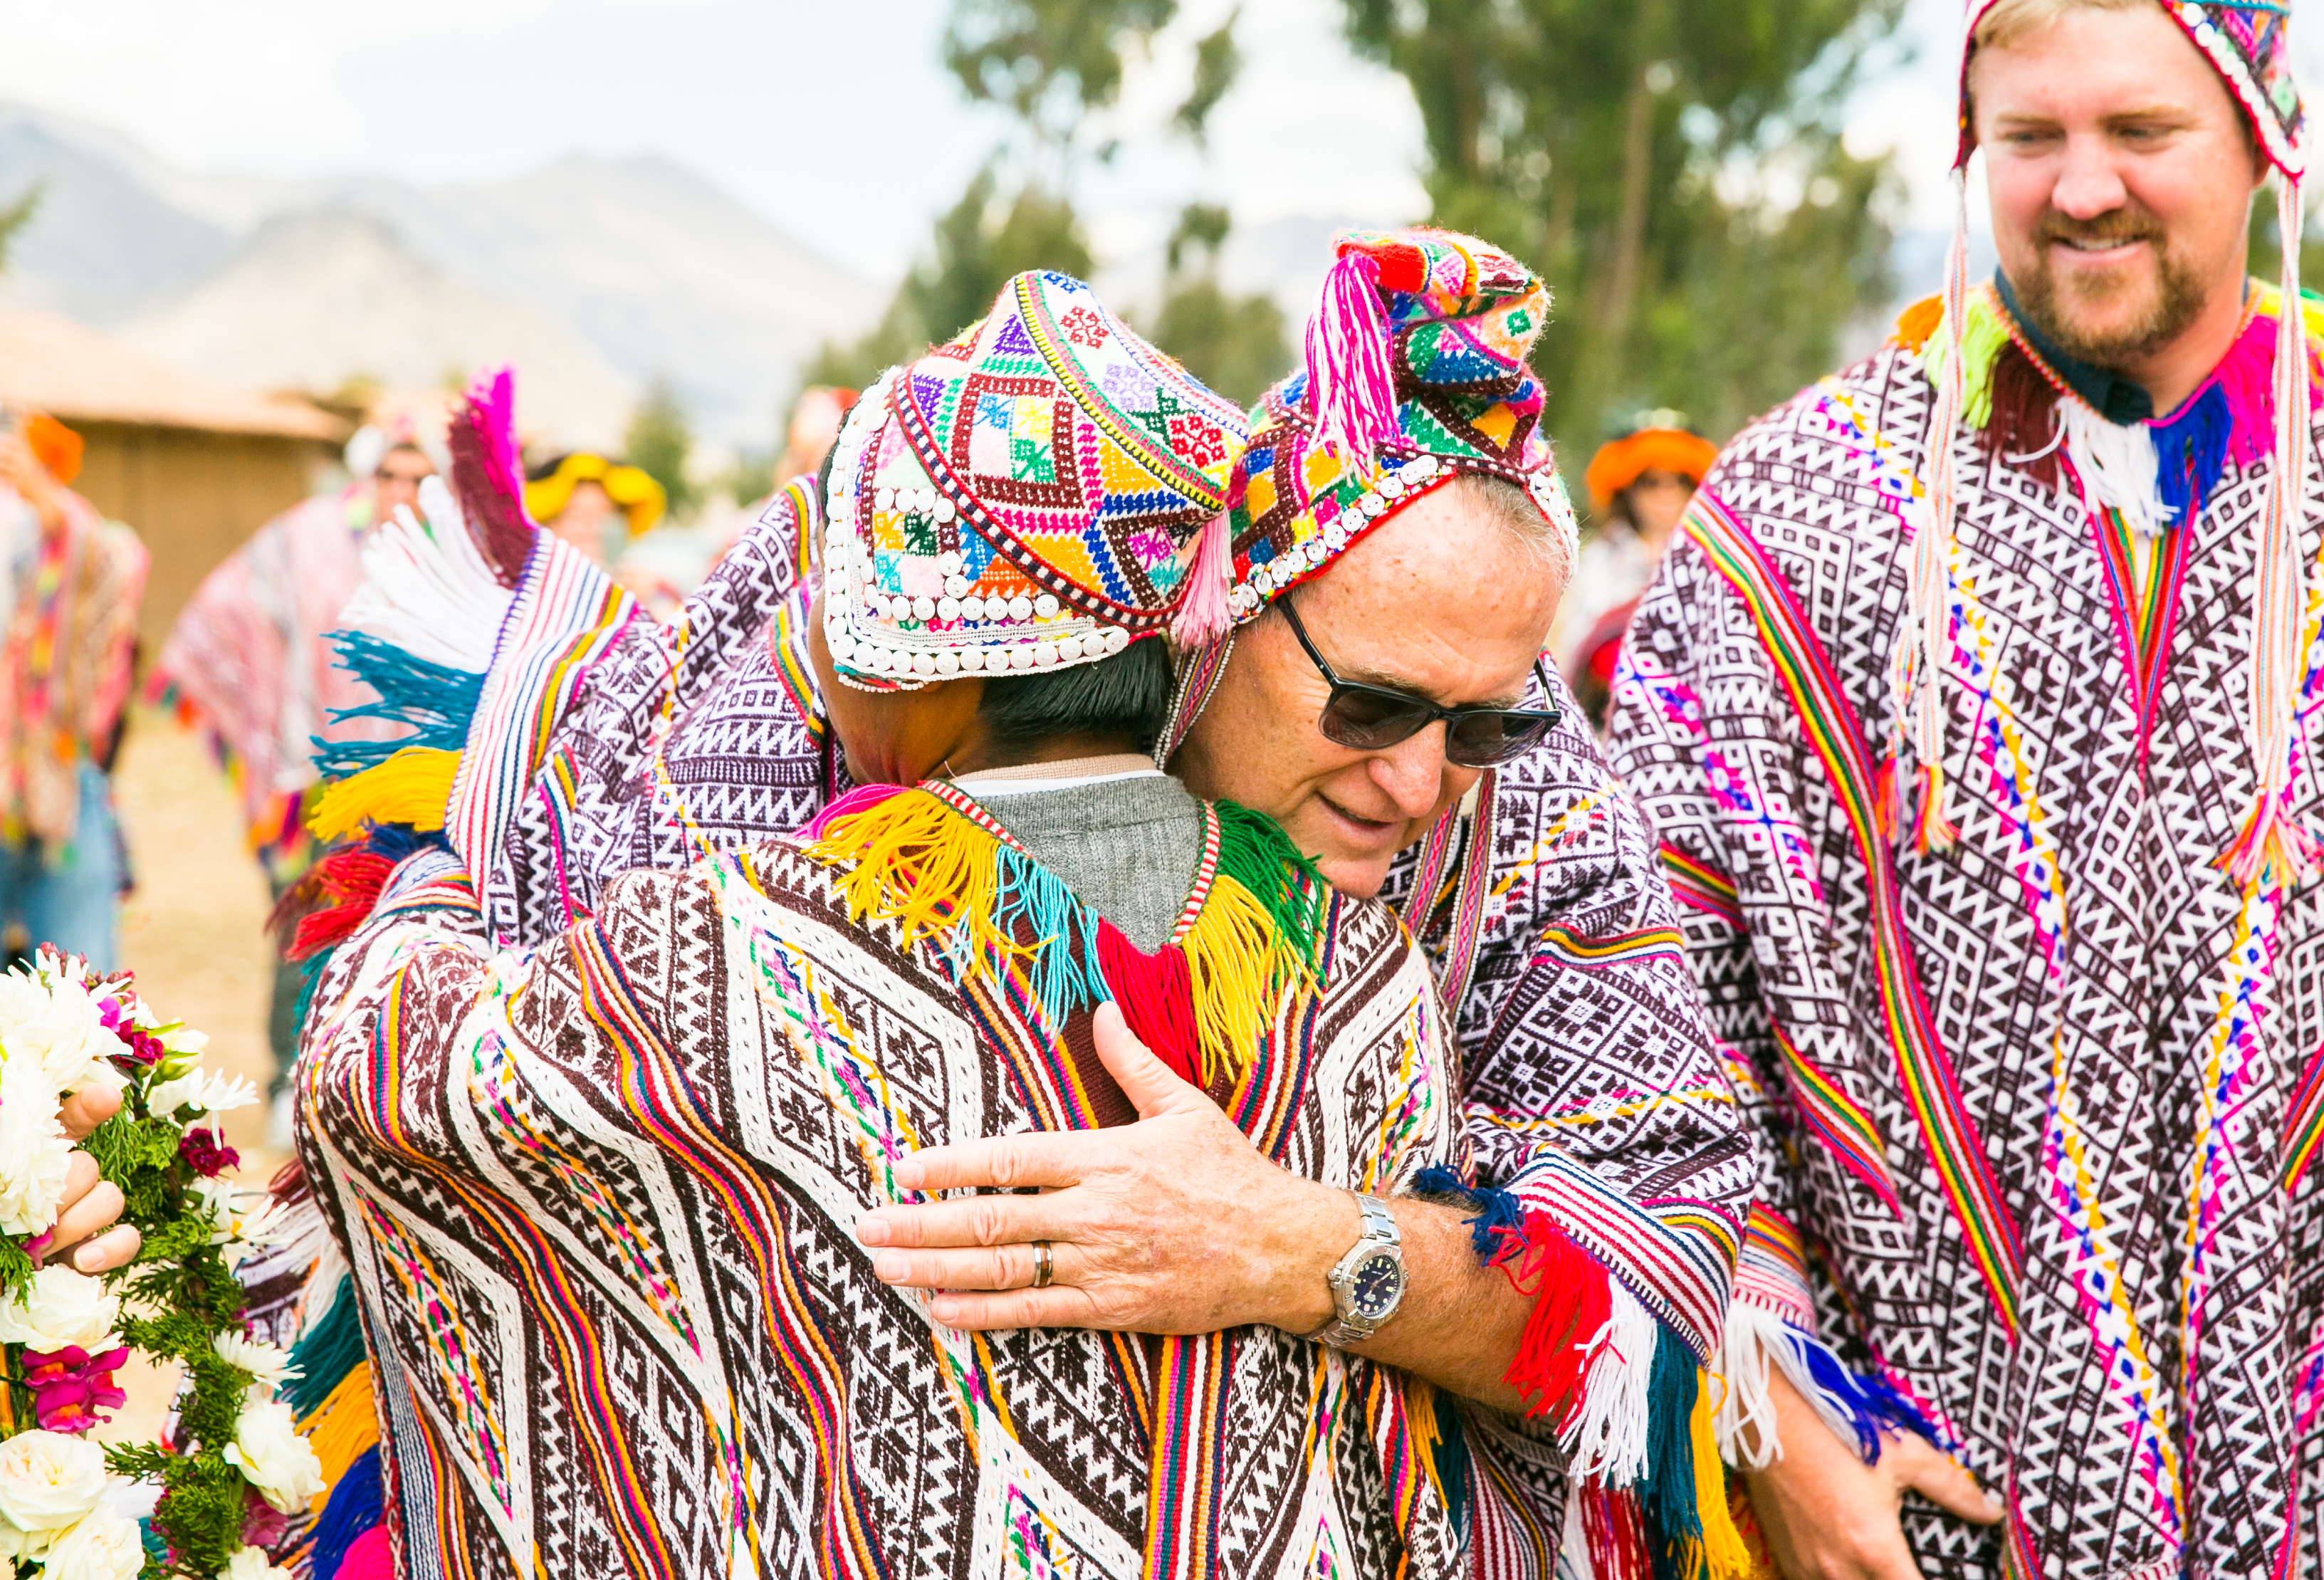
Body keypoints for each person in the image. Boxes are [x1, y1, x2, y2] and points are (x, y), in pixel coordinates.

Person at [263, 243, 1756, 1572]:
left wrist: (1311, 1248)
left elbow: (1656, 1273)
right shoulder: (1353, 984)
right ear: (1210, 625)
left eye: (1487, 720)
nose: (1429, 778)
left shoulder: (1485, 872)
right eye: (1367, 702)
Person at [1607, 1, 2320, 1575]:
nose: (2080, 189)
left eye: (2139, 133)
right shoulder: (1799, 520)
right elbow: (1642, 994)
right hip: (1928, 1510)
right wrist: (1765, 1406)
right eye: (2028, 138)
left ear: (2262, 142)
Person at [153, 422, 436, 1117]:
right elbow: (229, 607)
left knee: (405, 923)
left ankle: (378, 1085)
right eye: (391, 474)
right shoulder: (309, 538)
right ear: (367, 474)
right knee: (308, 920)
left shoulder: (447, 554)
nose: (401, 489)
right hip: (325, 777)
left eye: (418, 477)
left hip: (423, 780)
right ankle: (289, 1081)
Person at [0, 372, 147, 985]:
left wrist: (37, 488)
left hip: (56, 781)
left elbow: (111, 568)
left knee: (81, 984)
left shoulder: (36, 517)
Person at [1549, 412, 1715, 723]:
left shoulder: (1713, 560)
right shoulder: (1600, 560)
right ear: (1628, 489)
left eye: (1679, 481)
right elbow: (1574, 646)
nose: (1665, 494)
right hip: (1607, 717)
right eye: (1650, 482)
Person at [522, 449, 666, 569]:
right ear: (548, 523)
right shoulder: (522, 587)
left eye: (603, 517)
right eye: (575, 516)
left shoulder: (641, 590)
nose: (590, 526)